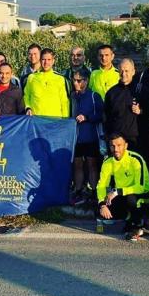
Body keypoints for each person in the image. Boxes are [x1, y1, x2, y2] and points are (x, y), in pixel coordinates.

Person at [96, 133, 149, 241]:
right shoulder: (108, 162)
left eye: (119, 145)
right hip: (122, 194)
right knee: (101, 210)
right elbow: (101, 185)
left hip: (143, 194)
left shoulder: (135, 159)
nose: (116, 149)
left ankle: (137, 225)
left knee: (131, 199)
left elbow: (140, 187)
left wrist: (117, 192)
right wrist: (102, 205)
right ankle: (128, 218)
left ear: (126, 145)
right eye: (112, 146)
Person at [69, 70, 104, 205]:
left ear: (86, 81)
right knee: (77, 164)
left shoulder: (94, 96)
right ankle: (78, 191)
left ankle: (94, 192)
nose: (76, 83)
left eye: (79, 80)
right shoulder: (72, 96)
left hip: (91, 136)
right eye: (74, 80)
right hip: (75, 138)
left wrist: (87, 117)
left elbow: (102, 115)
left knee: (92, 164)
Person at [104, 58, 140, 150]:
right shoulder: (111, 93)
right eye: (121, 71)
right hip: (116, 142)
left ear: (133, 71)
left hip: (135, 140)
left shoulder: (141, 90)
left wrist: (140, 111)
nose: (123, 74)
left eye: (126, 71)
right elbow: (106, 118)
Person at [24, 48, 70, 118]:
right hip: (36, 120)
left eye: (49, 60)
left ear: (53, 61)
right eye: (43, 59)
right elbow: (26, 95)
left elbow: (64, 102)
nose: (46, 62)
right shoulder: (32, 77)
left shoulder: (60, 79)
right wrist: (28, 108)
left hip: (55, 121)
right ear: (40, 60)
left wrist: (65, 120)